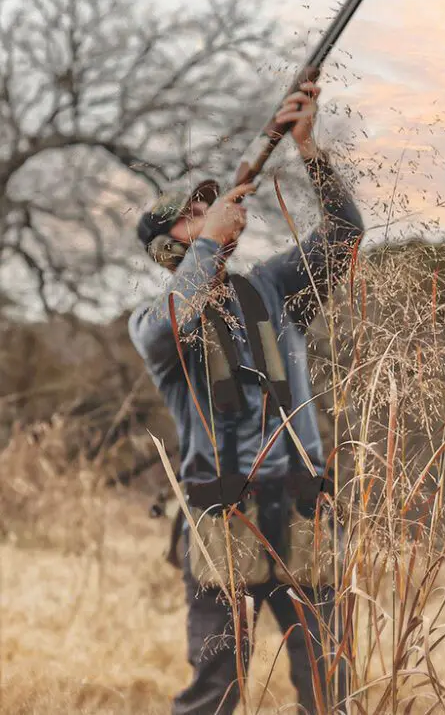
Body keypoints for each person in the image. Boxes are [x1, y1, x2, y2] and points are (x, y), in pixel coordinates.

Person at [129, 81, 362, 714]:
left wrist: (310, 149)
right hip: (222, 522)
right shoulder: (155, 319)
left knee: (330, 685)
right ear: (168, 246)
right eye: (192, 212)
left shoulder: (271, 287)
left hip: (306, 511)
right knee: (215, 692)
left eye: (213, 204)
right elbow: (173, 316)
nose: (212, 211)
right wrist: (208, 246)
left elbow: (344, 235)